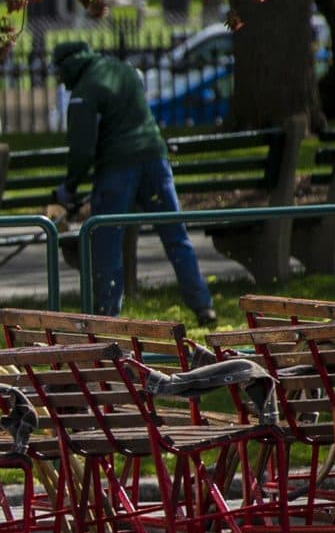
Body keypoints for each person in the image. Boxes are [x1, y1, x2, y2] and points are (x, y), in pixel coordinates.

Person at [51, 41, 217, 325]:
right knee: (176, 236)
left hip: (118, 167)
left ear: (67, 67)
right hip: (155, 159)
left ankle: (106, 314)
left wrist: (68, 188)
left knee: (107, 240)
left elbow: (82, 149)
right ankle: (202, 305)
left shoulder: (84, 92)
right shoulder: (123, 71)